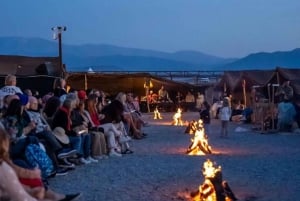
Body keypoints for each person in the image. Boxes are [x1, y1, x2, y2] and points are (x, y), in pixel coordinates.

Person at [0, 127, 81, 201]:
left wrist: (30, 189)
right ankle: (59, 156)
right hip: (15, 144)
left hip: (13, 146)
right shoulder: (4, 169)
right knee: (33, 140)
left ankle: (47, 186)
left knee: (35, 144)